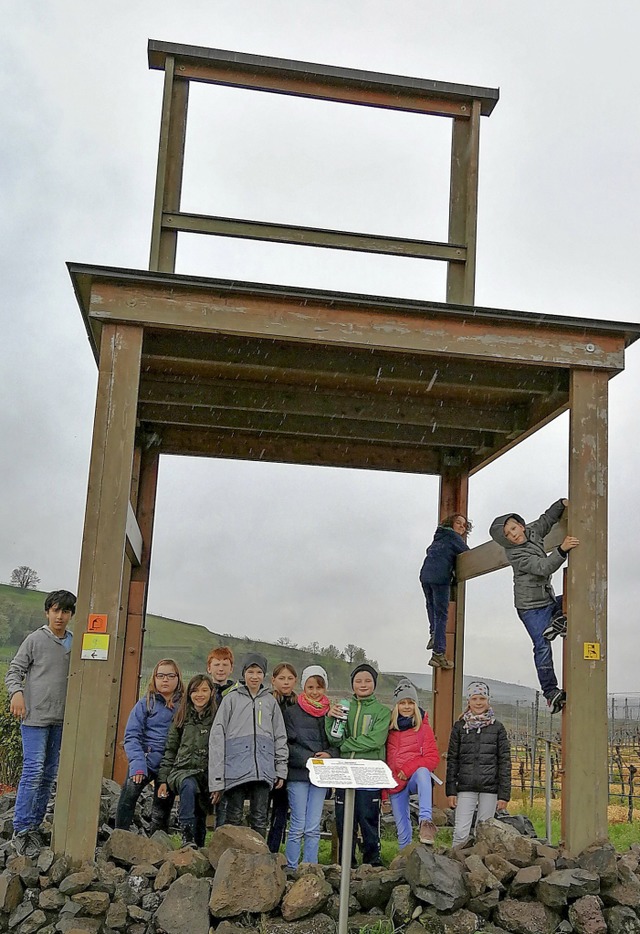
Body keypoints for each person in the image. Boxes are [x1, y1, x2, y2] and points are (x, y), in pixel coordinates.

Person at [489, 498, 579, 714]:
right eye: (509, 536)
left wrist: (563, 503)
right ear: (507, 541)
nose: (514, 535)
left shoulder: (532, 532)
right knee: (541, 645)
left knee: (574, 599)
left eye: (514, 528)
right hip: (530, 608)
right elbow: (543, 567)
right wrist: (562, 549)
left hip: (547, 600)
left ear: (520, 524)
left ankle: (556, 622)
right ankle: (550, 691)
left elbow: (546, 520)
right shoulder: (516, 555)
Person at [5, 589, 76, 858]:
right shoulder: (35, 639)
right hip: (34, 718)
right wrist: (17, 693)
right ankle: (20, 829)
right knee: (33, 772)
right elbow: (15, 671)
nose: (60, 616)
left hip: (61, 720)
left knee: (48, 775)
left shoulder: (74, 643)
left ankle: (34, 825)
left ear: (71, 615)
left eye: (65, 611)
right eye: (55, 610)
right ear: (47, 612)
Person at [209, 653, 288, 839]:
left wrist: (280, 769)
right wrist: (217, 779)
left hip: (263, 770)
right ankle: (233, 858)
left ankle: (259, 859)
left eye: (259, 672)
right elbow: (217, 737)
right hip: (235, 770)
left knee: (260, 818)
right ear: (243, 673)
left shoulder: (270, 702)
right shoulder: (231, 699)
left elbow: (280, 736)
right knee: (234, 816)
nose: (254, 676)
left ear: (264, 675)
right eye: (250, 671)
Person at [326, 663, 391, 867]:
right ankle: (347, 863)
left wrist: (346, 745)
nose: (363, 685)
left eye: (367, 681)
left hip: (370, 773)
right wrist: (330, 719)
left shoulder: (382, 711)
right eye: (358, 681)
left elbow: (375, 740)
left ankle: (373, 862)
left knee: (368, 818)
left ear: (374, 684)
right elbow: (335, 739)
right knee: (344, 819)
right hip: (345, 772)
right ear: (352, 684)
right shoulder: (344, 707)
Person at [115, 659, 184, 833]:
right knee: (129, 791)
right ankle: (119, 835)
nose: (165, 680)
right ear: (154, 678)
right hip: (145, 759)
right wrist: (137, 765)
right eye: (161, 676)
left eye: (170, 675)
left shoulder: (184, 706)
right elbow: (131, 736)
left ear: (178, 678)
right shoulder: (145, 703)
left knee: (162, 805)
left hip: (169, 764)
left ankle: (158, 840)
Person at [446, 681, 511, 848]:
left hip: (490, 788)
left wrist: (504, 795)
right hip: (465, 787)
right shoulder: (459, 727)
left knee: (484, 832)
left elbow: (504, 762)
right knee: (460, 831)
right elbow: (452, 760)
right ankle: (453, 866)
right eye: (474, 698)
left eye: (482, 698)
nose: (478, 702)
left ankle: (479, 869)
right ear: (468, 701)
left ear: (488, 700)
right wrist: (451, 790)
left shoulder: (498, 728)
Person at [157, 673, 217, 847]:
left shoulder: (217, 719)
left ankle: (198, 848)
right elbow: (170, 750)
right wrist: (162, 780)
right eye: (195, 690)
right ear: (189, 694)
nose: (200, 694)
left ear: (212, 693)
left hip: (206, 774)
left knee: (201, 813)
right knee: (188, 786)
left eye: (204, 690)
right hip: (182, 772)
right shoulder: (180, 717)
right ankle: (186, 837)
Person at [283, 665, 334, 868]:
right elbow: (286, 744)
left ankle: (310, 868)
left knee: (313, 826)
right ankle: (292, 867)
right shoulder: (291, 713)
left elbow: (337, 742)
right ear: (304, 686)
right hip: (299, 774)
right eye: (310, 687)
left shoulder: (331, 713)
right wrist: (309, 758)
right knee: (297, 824)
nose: (314, 691)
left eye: (319, 687)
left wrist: (330, 755)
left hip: (321, 775)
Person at [385, 678, 440, 847]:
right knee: (402, 832)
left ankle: (425, 821)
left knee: (423, 772)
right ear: (396, 705)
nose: (407, 706)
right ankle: (405, 861)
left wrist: (408, 769)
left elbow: (432, 757)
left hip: (414, 777)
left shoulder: (423, 728)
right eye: (402, 702)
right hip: (395, 782)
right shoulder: (389, 729)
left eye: (410, 702)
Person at [419, 514, 471, 670]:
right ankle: (438, 653)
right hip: (440, 576)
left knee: (431, 606)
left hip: (425, 575)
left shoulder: (439, 536)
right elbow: (467, 553)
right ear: (451, 524)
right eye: (459, 523)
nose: (462, 527)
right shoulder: (453, 538)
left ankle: (433, 634)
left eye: (464, 525)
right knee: (442, 614)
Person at [267, 662, 298, 853]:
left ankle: (274, 850)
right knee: (261, 811)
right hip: (266, 763)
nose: (285, 682)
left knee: (280, 811)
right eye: (281, 678)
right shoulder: (267, 701)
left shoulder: (299, 704)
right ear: (273, 680)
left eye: (289, 678)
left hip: (289, 765)